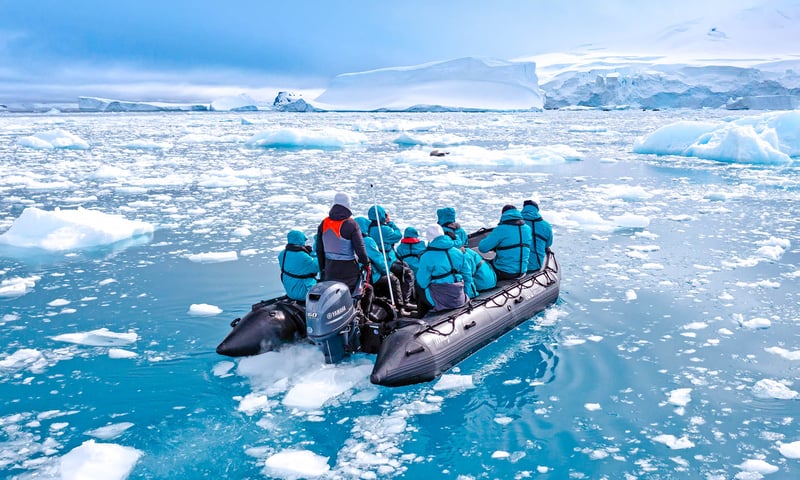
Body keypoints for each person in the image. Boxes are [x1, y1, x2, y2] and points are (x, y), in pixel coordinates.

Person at [315, 193, 369, 293]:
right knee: (359, 292)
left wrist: (323, 268)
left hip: (330, 270)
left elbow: (319, 249)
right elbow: (360, 249)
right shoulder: (351, 224)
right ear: (348, 204)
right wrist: (366, 263)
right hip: (349, 271)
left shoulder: (324, 223)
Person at [415, 224, 472, 316]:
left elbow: (422, 282)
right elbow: (467, 276)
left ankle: (422, 317)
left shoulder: (426, 256)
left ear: (429, 237)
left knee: (417, 285)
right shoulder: (457, 252)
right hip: (459, 297)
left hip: (441, 299)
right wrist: (466, 294)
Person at [366, 205, 415, 307]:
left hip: (376, 263)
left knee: (403, 266)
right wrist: (390, 223)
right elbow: (398, 236)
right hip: (387, 261)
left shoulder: (368, 228)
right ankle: (405, 301)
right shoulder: (384, 229)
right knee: (408, 273)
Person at [478, 205, 532, 280]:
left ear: (503, 215)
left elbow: (482, 248)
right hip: (523, 270)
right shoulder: (528, 229)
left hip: (504, 272)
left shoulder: (501, 229)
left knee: (478, 263)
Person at [447, 232, 497, 298]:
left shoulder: (461, 254)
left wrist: (468, 295)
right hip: (490, 279)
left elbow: (469, 275)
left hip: (483, 282)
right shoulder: (465, 250)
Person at [277, 230, 320, 302]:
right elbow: (318, 266)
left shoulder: (282, 254)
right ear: (300, 240)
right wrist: (314, 252)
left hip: (290, 291)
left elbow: (297, 267)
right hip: (303, 293)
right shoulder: (303, 257)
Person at [521, 199, 553, 272]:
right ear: (537, 210)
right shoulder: (546, 225)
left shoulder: (513, 222)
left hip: (515, 266)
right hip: (535, 265)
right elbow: (548, 243)